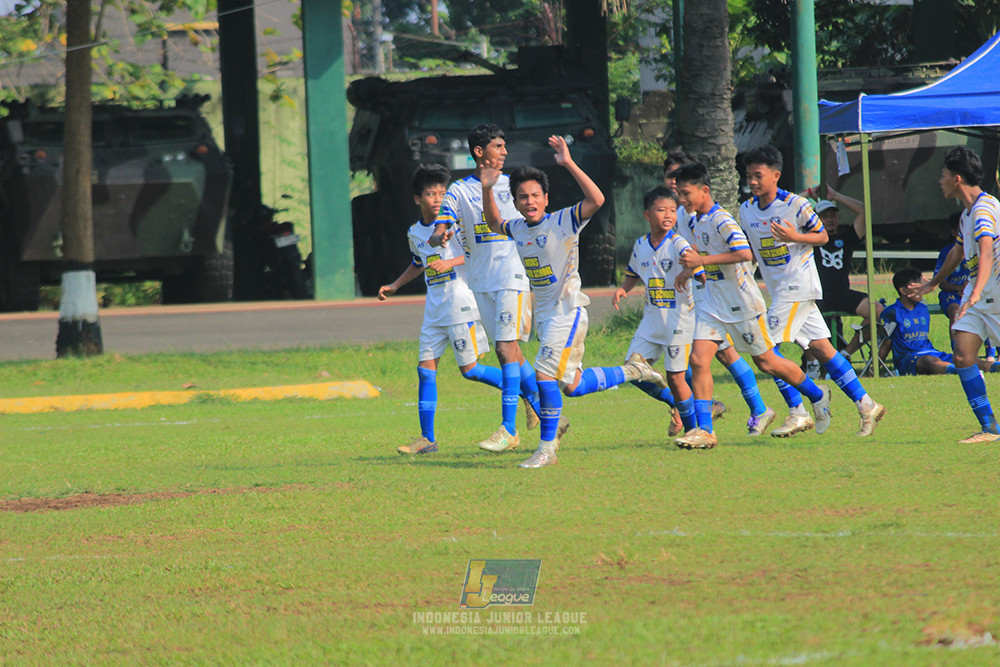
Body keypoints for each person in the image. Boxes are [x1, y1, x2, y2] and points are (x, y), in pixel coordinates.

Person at [482, 136, 665, 468]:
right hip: (548, 317)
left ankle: (546, 450)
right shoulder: (518, 229)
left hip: (567, 312)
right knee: (573, 385)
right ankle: (634, 370)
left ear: (546, 198)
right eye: (522, 197)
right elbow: (494, 222)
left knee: (543, 376)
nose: (529, 201)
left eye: (535, 195)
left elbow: (596, 199)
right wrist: (486, 189)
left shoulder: (563, 221)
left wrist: (567, 163)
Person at [672, 161, 831, 449]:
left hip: (742, 303)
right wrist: (688, 269)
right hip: (710, 301)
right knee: (698, 360)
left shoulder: (722, 219)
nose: (681, 201)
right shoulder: (690, 218)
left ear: (704, 190)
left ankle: (817, 394)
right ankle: (705, 431)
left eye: (685, 194)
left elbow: (743, 253)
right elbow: (698, 251)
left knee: (767, 362)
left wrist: (701, 262)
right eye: (679, 195)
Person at [739, 145, 886, 438]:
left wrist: (794, 236)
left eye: (758, 175)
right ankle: (867, 404)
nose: (753, 182)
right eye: (749, 176)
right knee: (822, 348)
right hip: (781, 290)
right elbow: (753, 251)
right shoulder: (746, 210)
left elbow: (820, 235)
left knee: (765, 350)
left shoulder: (795, 205)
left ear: (775, 175)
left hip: (798, 287)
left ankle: (801, 408)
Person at [430, 124, 549, 453]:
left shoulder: (515, 188)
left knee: (504, 349)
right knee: (509, 351)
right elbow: (445, 219)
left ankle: (508, 430)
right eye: (498, 146)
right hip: (480, 282)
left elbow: (536, 223)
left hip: (512, 277)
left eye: (504, 146)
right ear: (479, 152)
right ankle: (546, 410)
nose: (505, 151)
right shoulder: (458, 190)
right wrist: (440, 233)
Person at [379, 164, 509, 454]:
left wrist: (449, 262)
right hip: (434, 310)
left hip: (461, 305)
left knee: (471, 370)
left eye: (441, 193)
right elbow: (418, 263)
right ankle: (427, 439)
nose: (437, 199)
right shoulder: (415, 232)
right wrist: (396, 285)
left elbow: (476, 253)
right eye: (430, 193)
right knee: (425, 372)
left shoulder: (457, 225)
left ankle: (526, 392)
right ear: (417, 199)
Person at [663, 151, 775, 436]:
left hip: (718, 295)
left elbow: (715, 253)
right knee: (709, 357)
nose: (675, 187)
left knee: (757, 358)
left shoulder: (706, 215)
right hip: (701, 292)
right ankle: (709, 421)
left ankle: (788, 403)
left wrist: (698, 268)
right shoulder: (680, 213)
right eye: (670, 179)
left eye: (680, 180)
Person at [911, 146, 1000, 443]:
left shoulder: (985, 209)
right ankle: (989, 428)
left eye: (943, 174)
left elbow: (986, 252)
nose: (940, 180)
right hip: (978, 300)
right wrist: (933, 283)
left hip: (994, 297)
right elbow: (958, 252)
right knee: (963, 355)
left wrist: (974, 293)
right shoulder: (967, 214)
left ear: (957, 178)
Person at [613, 186, 705, 439]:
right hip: (651, 322)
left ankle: (692, 430)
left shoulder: (678, 243)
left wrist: (690, 272)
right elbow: (632, 273)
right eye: (661, 210)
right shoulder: (641, 244)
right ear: (647, 215)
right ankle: (675, 404)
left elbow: (699, 269)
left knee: (676, 378)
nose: (668, 215)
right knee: (632, 371)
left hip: (678, 321)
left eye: (673, 210)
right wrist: (623, 289)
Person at [804, 185, 884, 371]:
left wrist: (836, 196)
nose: (830, 220)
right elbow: (783, 212)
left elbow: (866, 212)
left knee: (878, 311)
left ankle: (846, 354)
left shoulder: (846, 237)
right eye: (825, 216)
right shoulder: (807, 240)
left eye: (833, 215)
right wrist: (807, 195)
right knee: (799, 315)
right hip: (817, 296)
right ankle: (813, 364)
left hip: (842, 293)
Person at [879, 267, 1000, 376]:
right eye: (917, 285)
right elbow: (886, 343)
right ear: (904, 291)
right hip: (908, 358)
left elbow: (934, 285)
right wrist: (874, 368)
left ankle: (993, 368)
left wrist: (931, 283)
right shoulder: (892, 312)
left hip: (931, 352)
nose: (922, 287)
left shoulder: (922, 308)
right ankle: (957, 371)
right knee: (929, 361)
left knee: (965, 359)